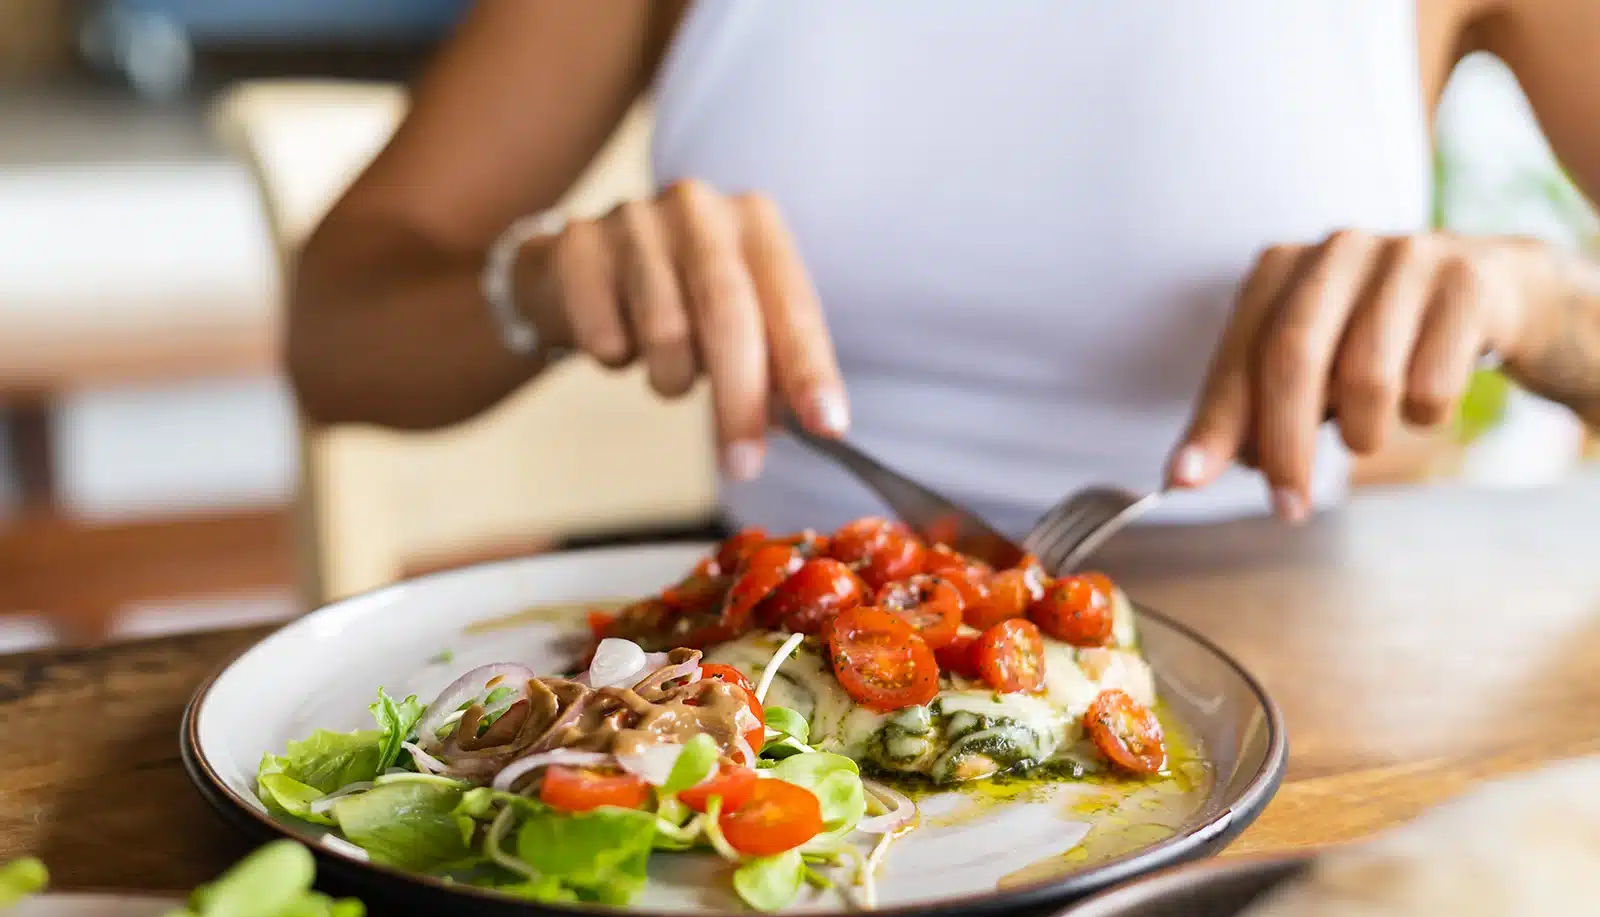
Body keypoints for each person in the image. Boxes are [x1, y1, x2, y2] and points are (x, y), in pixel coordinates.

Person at [288, 0, 1600, 537]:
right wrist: (537, 287)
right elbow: (334, 332)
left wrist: (1532, 301)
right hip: (783, 723)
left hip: (1300, 717)